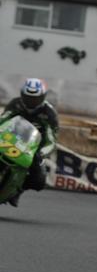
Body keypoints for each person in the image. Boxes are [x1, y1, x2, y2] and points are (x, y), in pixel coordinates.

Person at [0, 78, 58, 206]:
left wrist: (41, 153)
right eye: (28, 98)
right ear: (22, 95)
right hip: (10, 139)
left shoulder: (49, 113)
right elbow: (3, 119)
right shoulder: (16, 104)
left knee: (39, 181)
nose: (31, 102)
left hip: (33, 148)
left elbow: (51, 140)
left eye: (35, 99)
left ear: (43, 97)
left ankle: (17, 191)